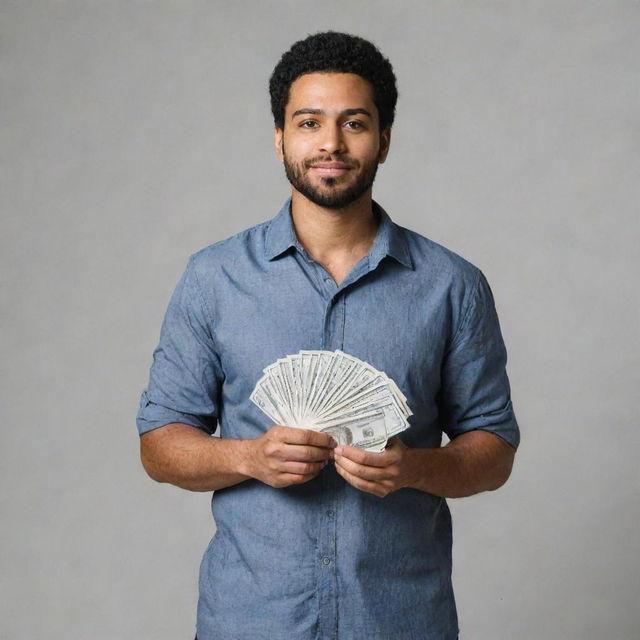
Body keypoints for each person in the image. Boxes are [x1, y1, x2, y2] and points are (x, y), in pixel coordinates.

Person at [137, 31, 519, 640]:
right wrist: (249, 456)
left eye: (355, 123)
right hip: (252, 619)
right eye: (309, 122)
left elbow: (493, 449)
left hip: (400, 620)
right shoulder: (213, 278)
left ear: (384, 141)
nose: (331, 144)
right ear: (280, 138)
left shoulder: (453, 285)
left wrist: (412, 468)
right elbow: (159, 445)